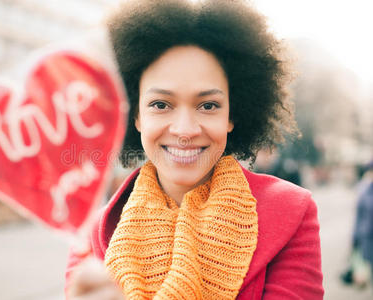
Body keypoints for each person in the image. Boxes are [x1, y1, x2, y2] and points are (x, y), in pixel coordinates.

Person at [66, 0, 324, 299]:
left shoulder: (292, 213)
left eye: (208, 105)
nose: (185, 129)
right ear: (134, 115)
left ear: (232, 115)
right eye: (160, 105)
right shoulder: (89, 238)